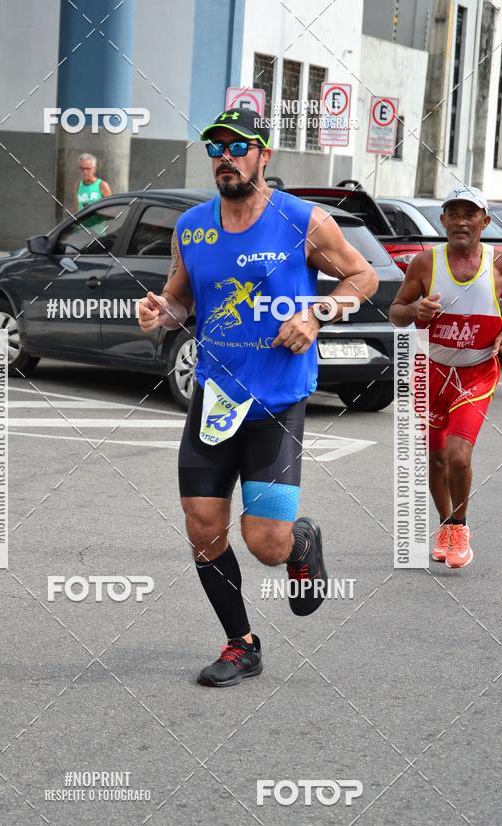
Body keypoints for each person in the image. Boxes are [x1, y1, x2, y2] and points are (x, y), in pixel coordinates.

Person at [138, 108, 378, 687]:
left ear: (263, 156)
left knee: (265, 542)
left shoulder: (302, 221)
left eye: (238, 146)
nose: (225, 155)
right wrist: (159, 313)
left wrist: (316, 313)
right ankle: (240, 644)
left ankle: (299, 540)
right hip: (215, 397)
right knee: (203, 526)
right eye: (215, 146)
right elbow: (181, 299)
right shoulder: (191, 226)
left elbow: (362, 277)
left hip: (276, 399)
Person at [389, 186, 502, 568]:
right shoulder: (425, 264)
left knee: (458, 455)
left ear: (485, 222)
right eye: (453, 213)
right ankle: (446, 525)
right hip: (431, 371)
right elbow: (396, 312)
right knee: (436, 459)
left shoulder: (497, 265)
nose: (461, 221)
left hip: (476, 372)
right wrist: (416, 309)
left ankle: (461, 527)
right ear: (443, 220)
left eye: (470, 214)